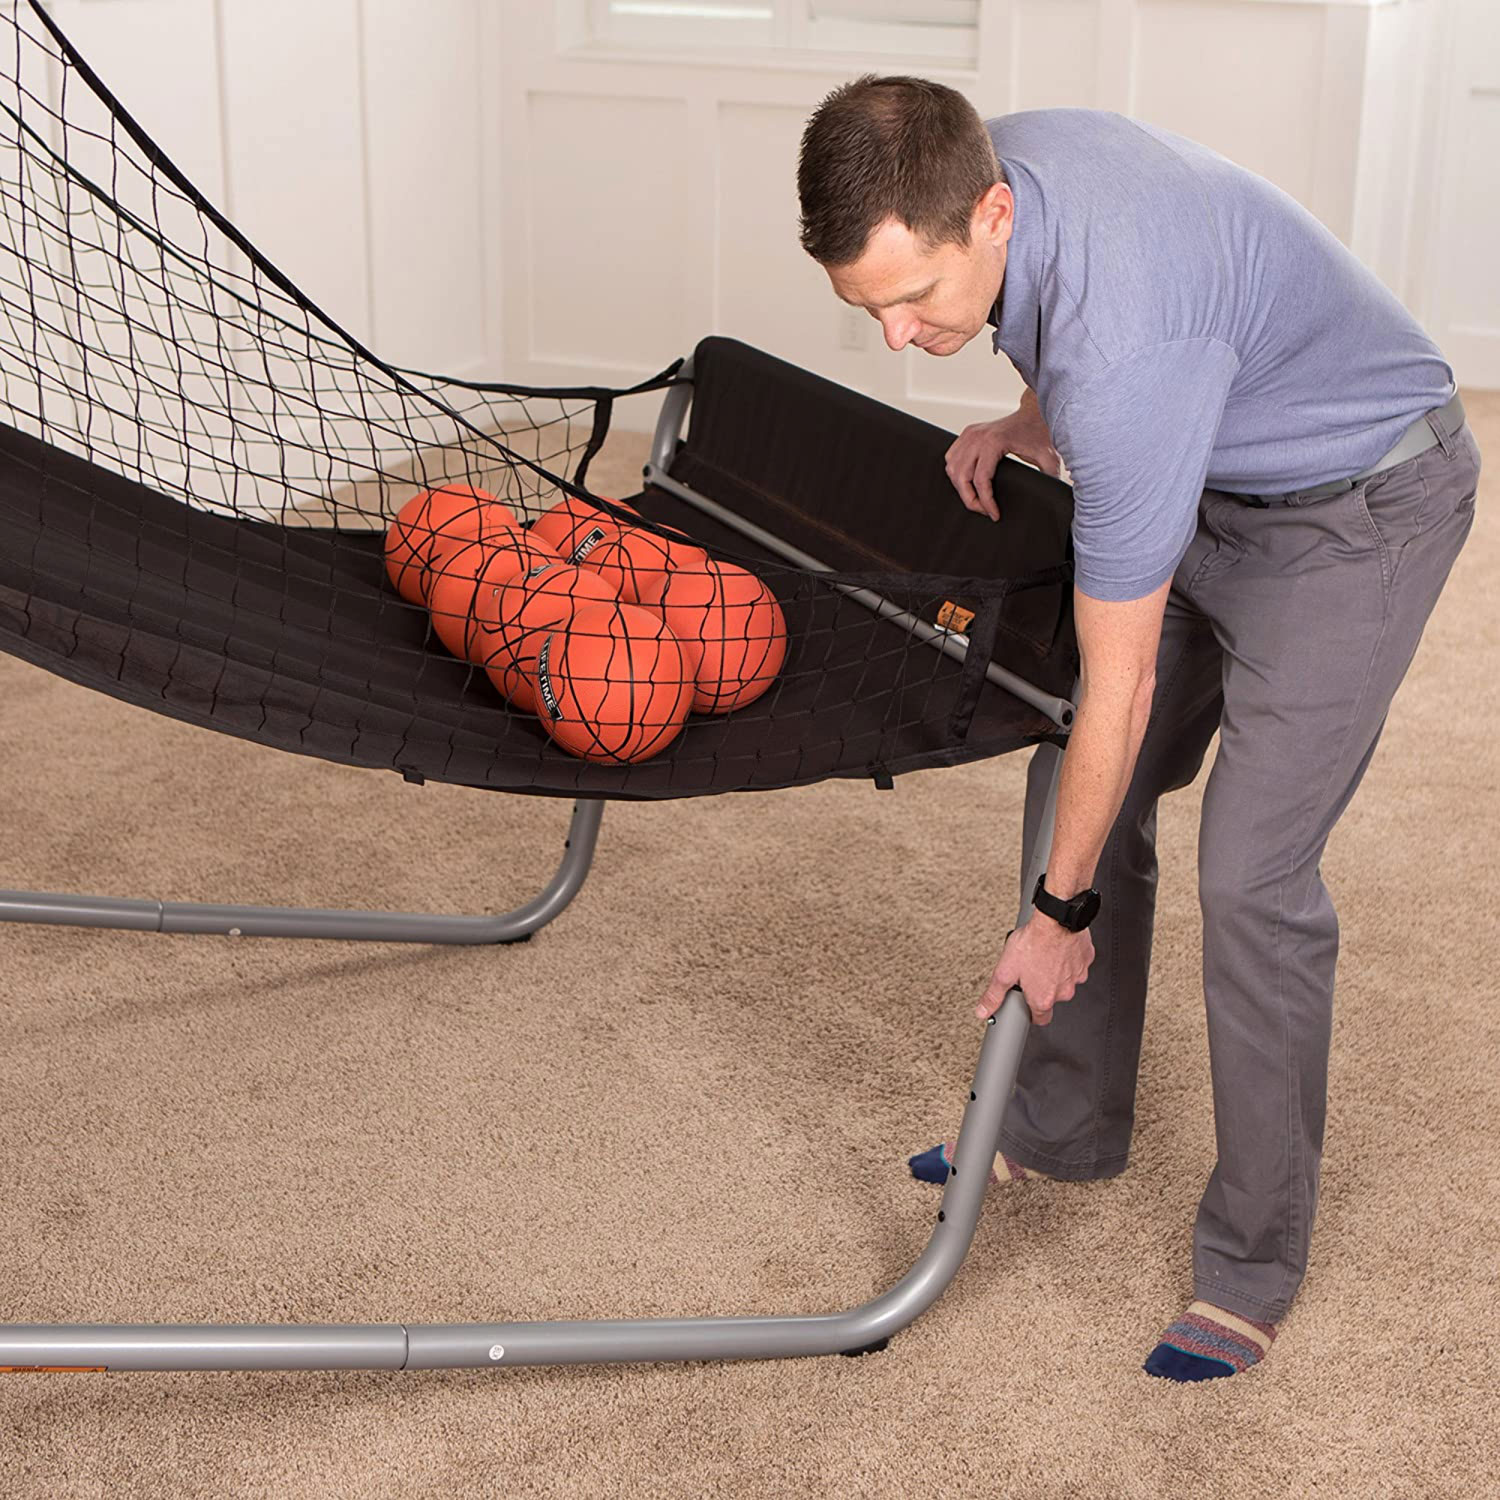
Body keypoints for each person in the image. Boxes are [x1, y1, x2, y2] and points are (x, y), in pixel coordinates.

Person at [796, 77, 1480, 1383]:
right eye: (866, 306)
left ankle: (1253, 1258)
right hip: (1210, 459)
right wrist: (1031, 418)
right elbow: (1109, 314)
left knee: (1256, 877)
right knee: (1079, 787)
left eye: (914, 301)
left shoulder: (1126, 362)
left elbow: (1123, 686)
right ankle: (1060, 1126)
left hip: (1363, 511)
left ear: (989, 213)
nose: (896, 336)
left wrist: (1053, 925)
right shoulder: (1001, 172)